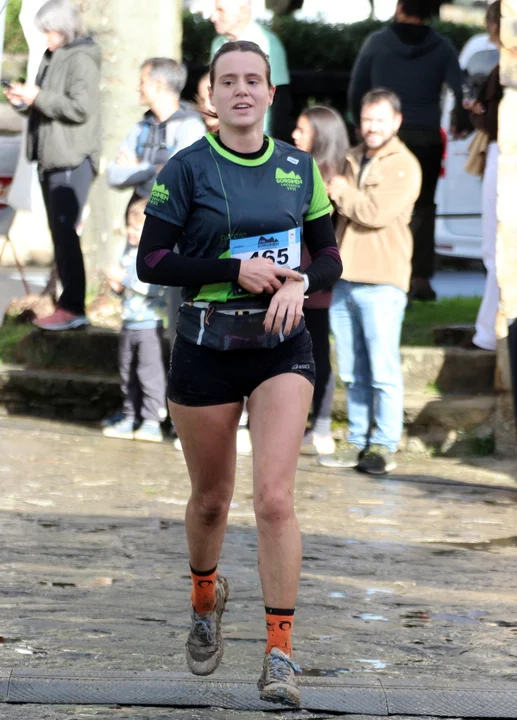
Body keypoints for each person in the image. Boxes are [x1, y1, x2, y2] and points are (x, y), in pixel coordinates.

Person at [136, 40, 342, 706]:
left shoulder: (298, 167)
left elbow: (329, 255)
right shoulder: (186, 168)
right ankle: (205, 595)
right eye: (229, 81)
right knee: (210, 500)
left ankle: (279, 655)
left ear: (270, 94)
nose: (242, 91)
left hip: (282, 345)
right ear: (212, 95)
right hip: (206, 345)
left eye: (254, 80)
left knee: (274, 498)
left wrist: (300, 280)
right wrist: (234, 269)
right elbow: (151, 261)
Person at [319, 88, 421, 476]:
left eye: (380, 120)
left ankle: (384, 444)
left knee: (382, 370)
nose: (372, 127)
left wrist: (342, 190)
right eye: (367, 119)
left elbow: (375, 212)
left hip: (382, 279)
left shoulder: (404, 165)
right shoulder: (352, 157)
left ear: (397, 122)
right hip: (345, 277)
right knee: (350, 369)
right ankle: (357, 439)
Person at [348, 0, 467, 301]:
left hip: (384, 137)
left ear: (400, 6)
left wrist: (361, 125)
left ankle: (382, 273)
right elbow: (460, 88)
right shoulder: (442, 46)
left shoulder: (376, 43)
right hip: (427, 137)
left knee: (376, 202)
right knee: (423, 208)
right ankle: (420, 278)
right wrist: (462, 122)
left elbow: (356, 89)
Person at [4, 0, 101, 330]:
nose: (45, 38)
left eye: (49, 31)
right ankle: (67, 304)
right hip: (50, 156)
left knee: (65, 233)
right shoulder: (52, 55)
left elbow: (80, 108)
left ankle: (73, 307)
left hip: (72, 157)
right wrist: (24, 102)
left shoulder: (82, 57)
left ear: (64, 28)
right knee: (58, 234)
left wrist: (37, 97)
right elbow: (47, 103)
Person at [292, 105, 349, 457]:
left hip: (318, 278)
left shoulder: (334, 178)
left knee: (318, 353)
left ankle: (323, 424)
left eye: (303, 129)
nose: (294, 135)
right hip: (292, 274)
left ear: (321, 135)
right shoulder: (296, 169)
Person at [103, 198, 167, 443]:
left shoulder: (155, 255)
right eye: (129, 226)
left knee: (149, 373)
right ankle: (131, 415)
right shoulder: (129, 253)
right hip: (129, 323)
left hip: (149, 325)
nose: (130, 231)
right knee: (127, 371)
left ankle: (152, 420)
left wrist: (124, 279)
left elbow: (153, 287)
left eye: (136, 228)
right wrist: (116, 287)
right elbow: (125, 290)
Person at [107, 57, 206, 208]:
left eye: (142, 82)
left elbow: (174, 179)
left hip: (169, 213)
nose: (138, 88)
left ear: (159, 85)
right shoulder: (141, 127)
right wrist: (153, 169)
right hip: (136, 215)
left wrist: (136, 169)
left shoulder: (191, 127)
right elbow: (113, 176)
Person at [466, 1, 502, 352]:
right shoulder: (500, 67)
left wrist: (478, 112)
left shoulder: (504, 69)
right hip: (501, 153)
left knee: (495, 249)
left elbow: (495, 121)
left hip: (504, 156)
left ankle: (488, 332)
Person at [209, 0, 291, 141]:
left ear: (242, 12)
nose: (213, 17)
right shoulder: (217, 44)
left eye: (221, 10)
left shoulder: (268, 43)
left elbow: (280, 99)